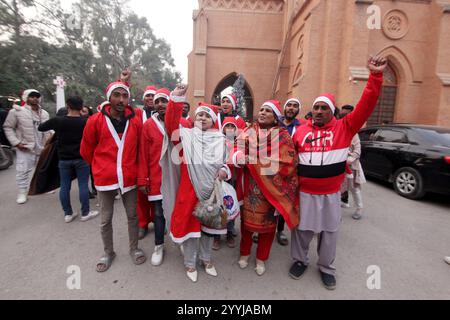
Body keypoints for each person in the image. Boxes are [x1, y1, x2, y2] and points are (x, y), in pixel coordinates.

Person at [289, 56, 387, 290]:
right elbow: (288, 161)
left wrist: (375, 76)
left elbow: (367, 105)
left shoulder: (346, 127)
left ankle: (326, 268)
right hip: (304, 194)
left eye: (325, 108)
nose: (320, 111)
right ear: (311, 111)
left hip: (332, 194)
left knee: (329, 233)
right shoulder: (299, 132)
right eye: (316, 107)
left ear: (333, 111)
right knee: (301, 231)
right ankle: (300, 260)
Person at [165, 84, 232, 283]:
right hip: (190, 189)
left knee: (209, 228)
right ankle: (190, 262)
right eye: (199, 115)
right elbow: (170, 125)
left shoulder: (221, 139)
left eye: (206, 115)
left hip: (212, 191)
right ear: (194, 118)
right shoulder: (186, 136)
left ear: (213, 120)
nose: (202, 118)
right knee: (191, 229)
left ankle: (207, 259)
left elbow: (228, 161)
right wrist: (176, 99)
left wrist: (224, 170)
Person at [81, 79, 147, 272]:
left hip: (129, 177)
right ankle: (108, 252)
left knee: (133, 216)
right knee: (105, 219)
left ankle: (134, 248)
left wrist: (140, 176)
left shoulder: (135, 121)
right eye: (117, 95)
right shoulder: (95, 121)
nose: (121, 99)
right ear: (109, 98)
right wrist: (100, 168)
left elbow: (140, 151)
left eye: (125, 95)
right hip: (105, 178)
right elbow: (86, 150)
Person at [232, 100, 300, 276]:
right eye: (261, 109)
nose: (262, 113)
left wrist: (255, 160)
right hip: (250, 186)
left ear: (276, 116)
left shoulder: (283, 136)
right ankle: (244, 253)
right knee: (246, 224)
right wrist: (238, 155)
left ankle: (261, 258)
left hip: (272, 190)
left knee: (268, 226)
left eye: (267, 110)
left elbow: (289, 162)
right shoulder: (248, 131)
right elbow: (235, 148)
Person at [38, 97, 99, 223]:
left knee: (65, 186)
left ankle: (68, 214)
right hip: (82, 158)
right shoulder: (86, 122)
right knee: (83, 184)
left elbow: (41, 128)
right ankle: (85, 213)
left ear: (68, 106)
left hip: (64, 158)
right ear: (81, 107)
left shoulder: (58, 121)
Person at [138, 87, 180, 266]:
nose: (161, 104)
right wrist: (143, 179)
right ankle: (159, 245)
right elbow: (143, 154)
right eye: (157, 102)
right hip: (156, 177)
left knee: (179, 211)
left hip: (177, 176)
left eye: (164, 100)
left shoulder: (182, 123)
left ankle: (181, 240)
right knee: (158, 214)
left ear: (170, 102)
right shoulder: (148, 126)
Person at [3, 89, 51, 204]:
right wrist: (16, 143)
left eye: (36, 96)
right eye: (31, 96)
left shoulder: (44, 113)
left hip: (42, 146)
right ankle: (22, 192)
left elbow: (48, 128)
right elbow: (8, 127)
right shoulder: (17, 112)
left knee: (43, 169)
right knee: (23, 170)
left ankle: (42, 188)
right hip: (25, 146)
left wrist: (50, 140)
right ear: (25, 97)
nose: (34, 98)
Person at [212, 117, 243, 250]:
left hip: (233, 180)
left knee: (230, 205)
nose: (229, 129)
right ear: (223, 128)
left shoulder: (240, 143)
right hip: (219, 180)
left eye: (232, 126)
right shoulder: (216, 142)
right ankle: (217, 235)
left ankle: (229, 232)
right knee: (218, 207)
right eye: (227, 126)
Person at [339, 105, 366, 220]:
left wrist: (348, 161)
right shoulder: (339, 129)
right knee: (338, 189)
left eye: (346, 115)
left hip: (351, 167)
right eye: (342, 115)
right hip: (339, 166)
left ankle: (359, 208)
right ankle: (338, 209)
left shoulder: (354, 133)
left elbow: (357, 151)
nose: (344, 117)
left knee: (354, 188)